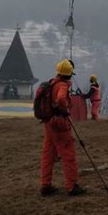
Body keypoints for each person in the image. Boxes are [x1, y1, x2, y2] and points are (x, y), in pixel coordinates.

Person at [40, 59, 86, 196]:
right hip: (59, 124)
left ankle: (45, 185)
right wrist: (64, 109)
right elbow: (60, 99)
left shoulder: (52, 83)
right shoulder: (63, 86)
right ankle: (72, 186)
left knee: (48, 155)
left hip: (49, 124)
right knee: (68, 155)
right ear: (70, 74)